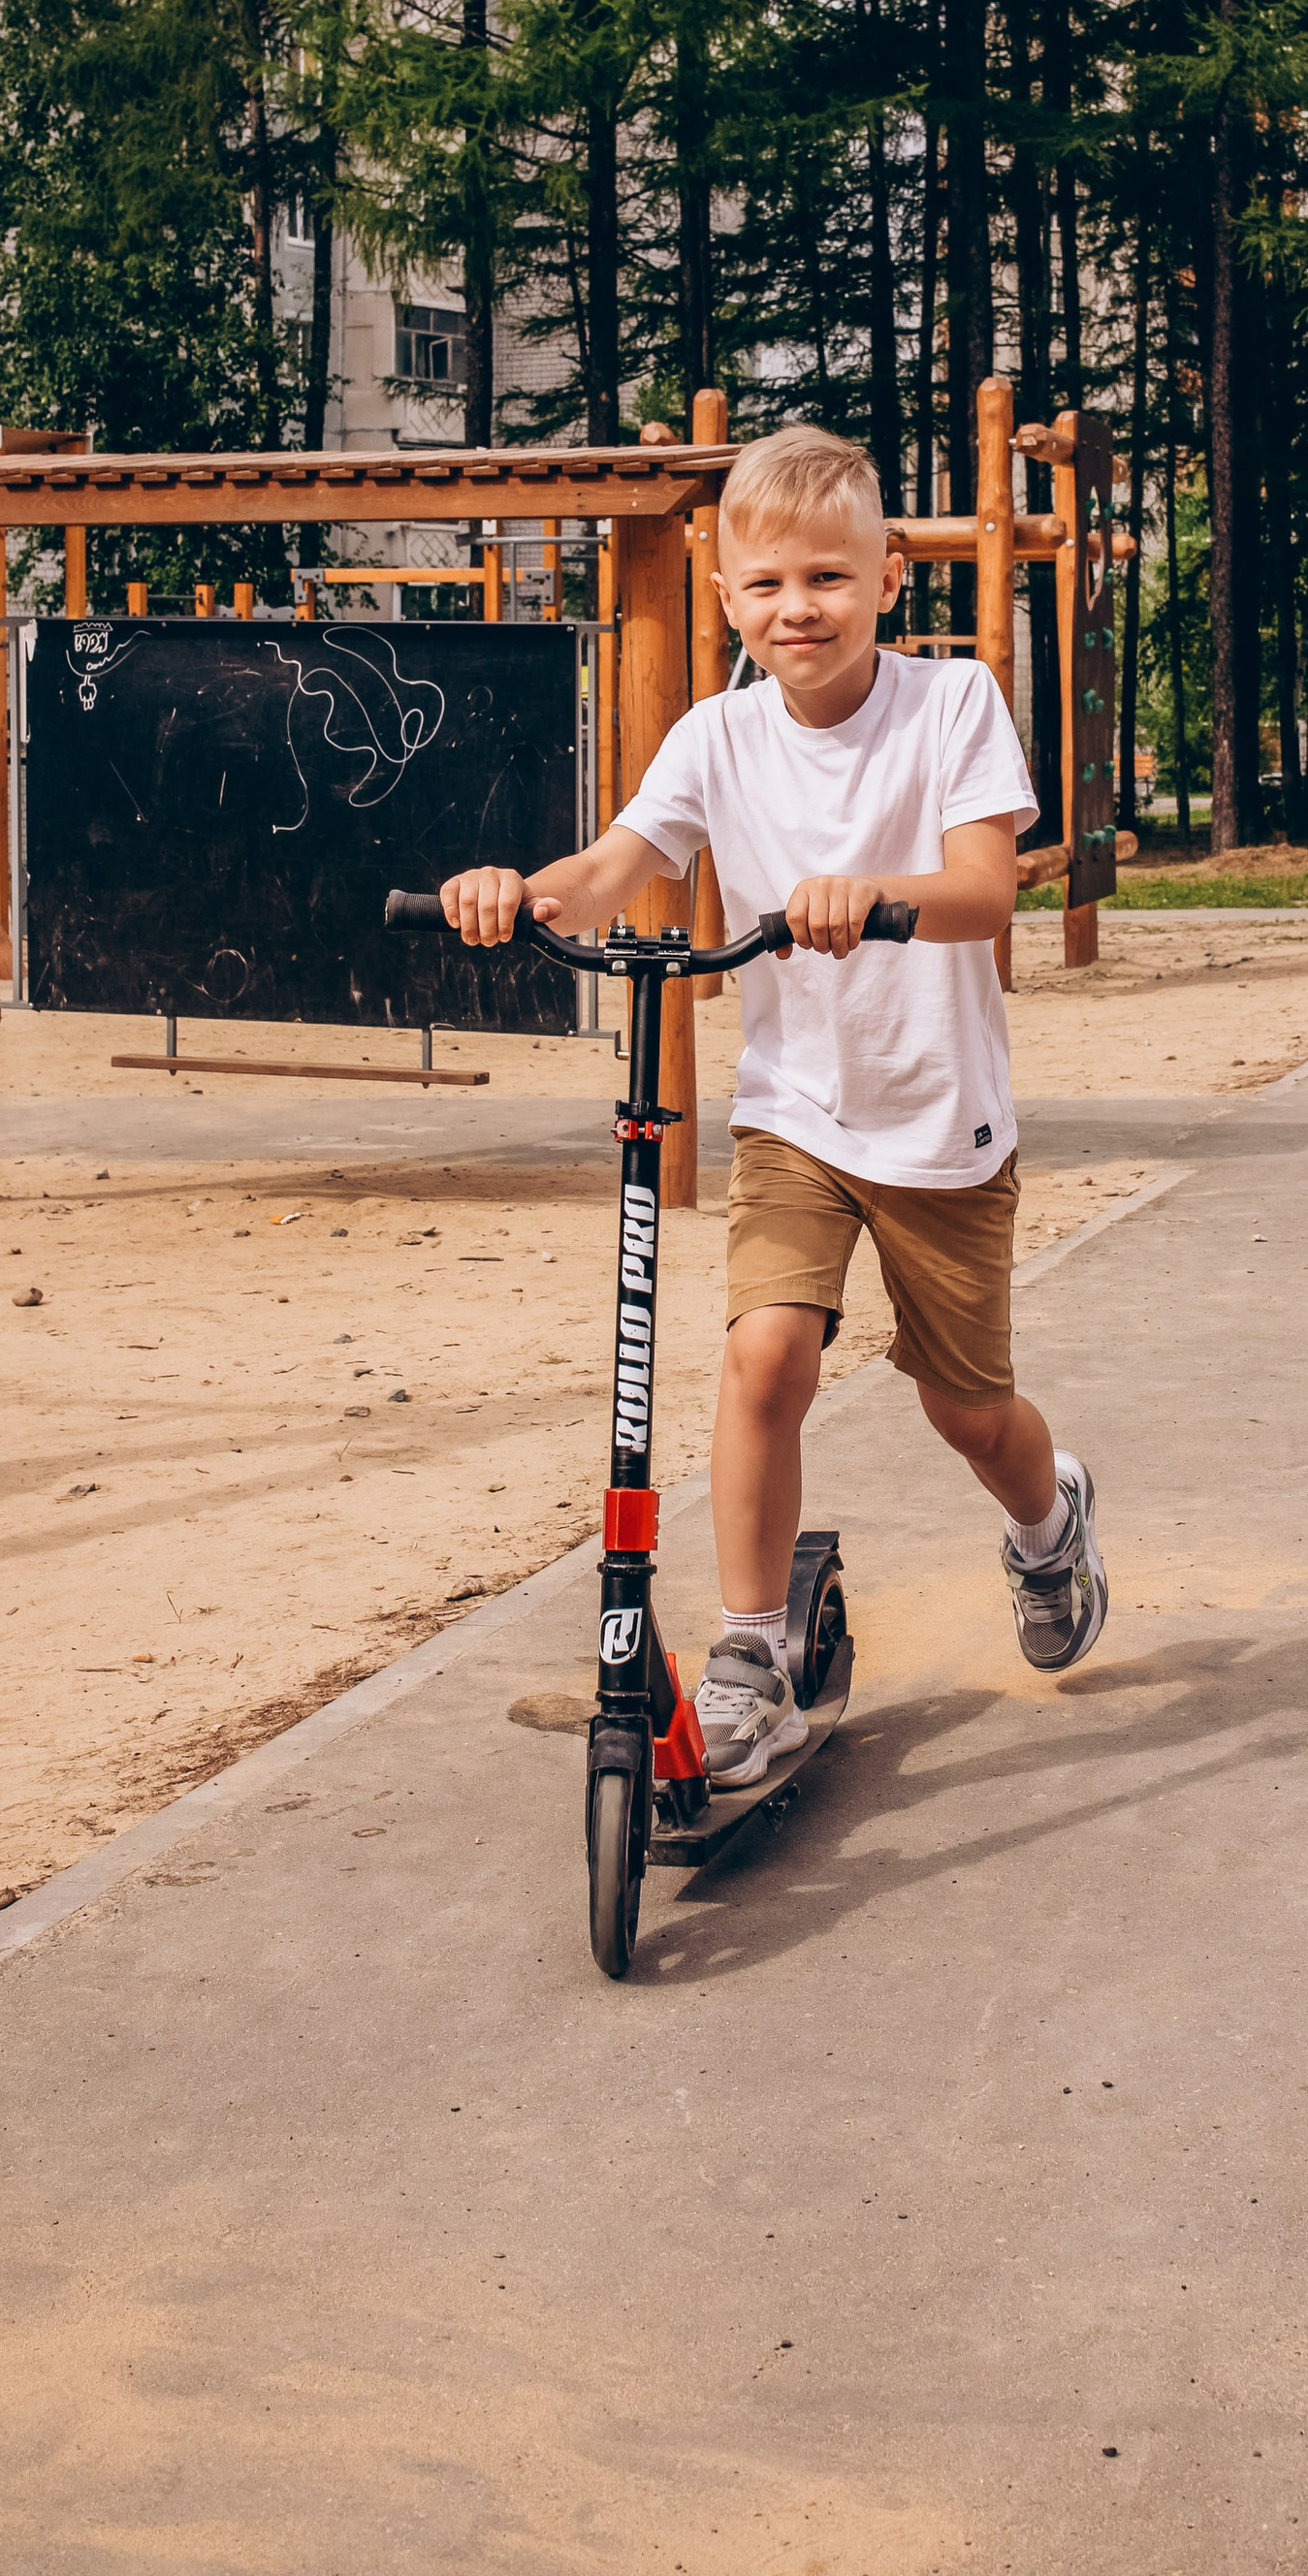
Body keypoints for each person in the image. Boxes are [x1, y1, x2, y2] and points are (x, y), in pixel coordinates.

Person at [438, 421, 1107, 1786]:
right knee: (763, 1361)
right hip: (796, 1111)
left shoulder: (951, 707)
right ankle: (749, 1653)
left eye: (828, 578)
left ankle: (1049, 1525)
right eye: (766, 585)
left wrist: (878, 896)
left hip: (938, 1121)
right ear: (722, 589)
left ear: (885, 582)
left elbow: (988, 890)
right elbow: (621, 863)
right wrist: (523, 892)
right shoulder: (717, 736)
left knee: (967, 1411)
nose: (797, 609)